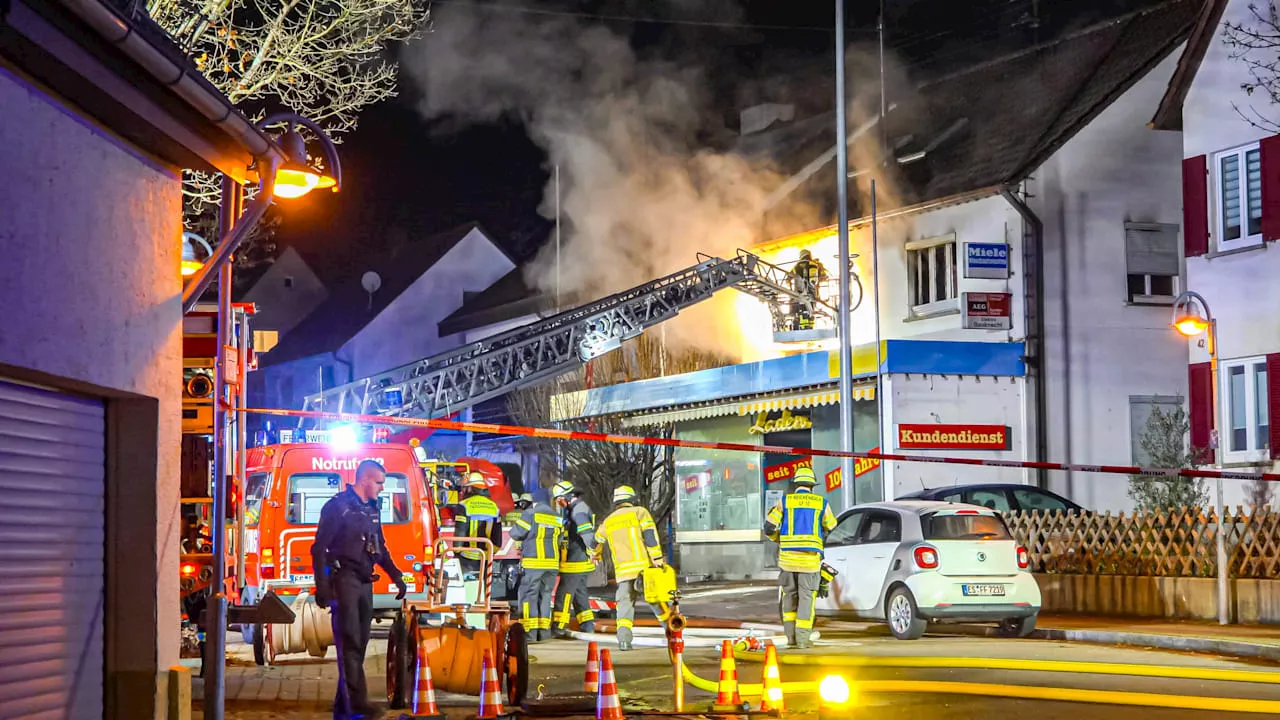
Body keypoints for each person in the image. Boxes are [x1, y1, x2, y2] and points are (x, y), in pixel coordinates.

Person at [312, 460, 408, 719]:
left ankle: (343, 709)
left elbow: (380, 547)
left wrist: (396, 576)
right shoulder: (338, 507)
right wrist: (322, 586)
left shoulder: (371, 509)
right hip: (344, 580)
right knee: (351, 645)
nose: (381, 488)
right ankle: (357, 706)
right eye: (379, 483)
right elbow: (319, 549)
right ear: (365, 479)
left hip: (365, 582)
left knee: (358, 647)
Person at [763, 466, 837, 649]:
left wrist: (780, 540)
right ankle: (803, 640)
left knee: (789, 598)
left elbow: (769, 528)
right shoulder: (821, 503)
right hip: (810, 562)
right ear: (812, 485)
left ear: (795, 484)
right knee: (806, 599)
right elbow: (832, 526)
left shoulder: (785, 502)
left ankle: (791, 639)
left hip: (787, 561)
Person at [597, 485, 667, 651]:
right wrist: (657, 558)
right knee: (658, 602)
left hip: (623, 572)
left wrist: (594, 554)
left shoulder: (609, 520)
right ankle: (672, 633)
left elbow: (596, 541)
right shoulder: (640, 512)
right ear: (632, 500)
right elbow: (650, 537)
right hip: (644, 569)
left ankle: (624, 641)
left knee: (624, 607)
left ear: (616, 502)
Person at [509, 492, 563, 642]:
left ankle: (529, 633)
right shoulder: (557, 517)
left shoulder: (530, 514)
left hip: (533, 563)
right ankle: (544, 633)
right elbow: (560, 540)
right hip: (552, 564)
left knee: (528, 597)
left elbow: (515, 533)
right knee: (545, 597)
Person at [550, 480, 598, 637]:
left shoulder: (578, 512)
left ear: (567, 496)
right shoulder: (577, 509)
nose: (559, 504)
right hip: (580, 561)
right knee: (579, 593)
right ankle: (587, 624)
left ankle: (559, 626)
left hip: (575, 562)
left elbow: (587, 535)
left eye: (559, 500)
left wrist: (593, 551)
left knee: (564, 593)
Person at [451, 471, 503, 578]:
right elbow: (497, 539)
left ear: (470, 488)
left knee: (468, 590)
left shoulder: (464, 505)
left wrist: (457, 553)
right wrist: (490, 553)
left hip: (467, 558)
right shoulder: (494, 507)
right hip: (485, 558)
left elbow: (459, 536)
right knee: (483, 590)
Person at [791, 250, 828, 331]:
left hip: (797, 294)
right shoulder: (815, 265)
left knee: (799, 311)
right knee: (810, 311)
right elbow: (824, 276)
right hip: (812, 294)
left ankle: (801, 326)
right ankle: (809, 327)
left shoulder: (795, 267)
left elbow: (788, 279)